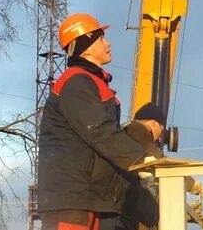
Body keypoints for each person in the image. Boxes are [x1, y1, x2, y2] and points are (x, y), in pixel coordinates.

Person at [37, 13, 150, 230]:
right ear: (85, 48)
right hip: (71, 200)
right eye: (100, 39)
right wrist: (143, 160)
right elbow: (99, 130)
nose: (107, 43)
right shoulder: (76, 82)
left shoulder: (89, 82)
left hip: (85, 197)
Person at [119, 103, 203, 230]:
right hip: (131, 216)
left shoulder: (128, 135)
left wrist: (182, 209)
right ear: (154, 123)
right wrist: (192, 184)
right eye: (161, 128)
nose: (160, 136)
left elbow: (153, 186)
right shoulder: (136, 130)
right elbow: (161, 164)